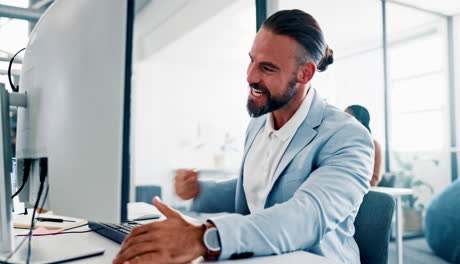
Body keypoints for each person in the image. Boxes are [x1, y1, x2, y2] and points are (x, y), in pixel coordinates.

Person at [114, 9, 374, 264]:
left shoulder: (348, 137)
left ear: (305, 73)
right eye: (251, 60)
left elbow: (307, 217)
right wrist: (200, 190)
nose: (250, 76)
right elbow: (259, 190)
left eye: (267, 68)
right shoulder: (259, 121)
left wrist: (203, 237)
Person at [345, 105, 382, 186]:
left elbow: (374, 180)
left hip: (362, 191)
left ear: (360, 122)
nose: (342, 121)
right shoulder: (339, 143)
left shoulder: (374, 145)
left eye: (347, 118)